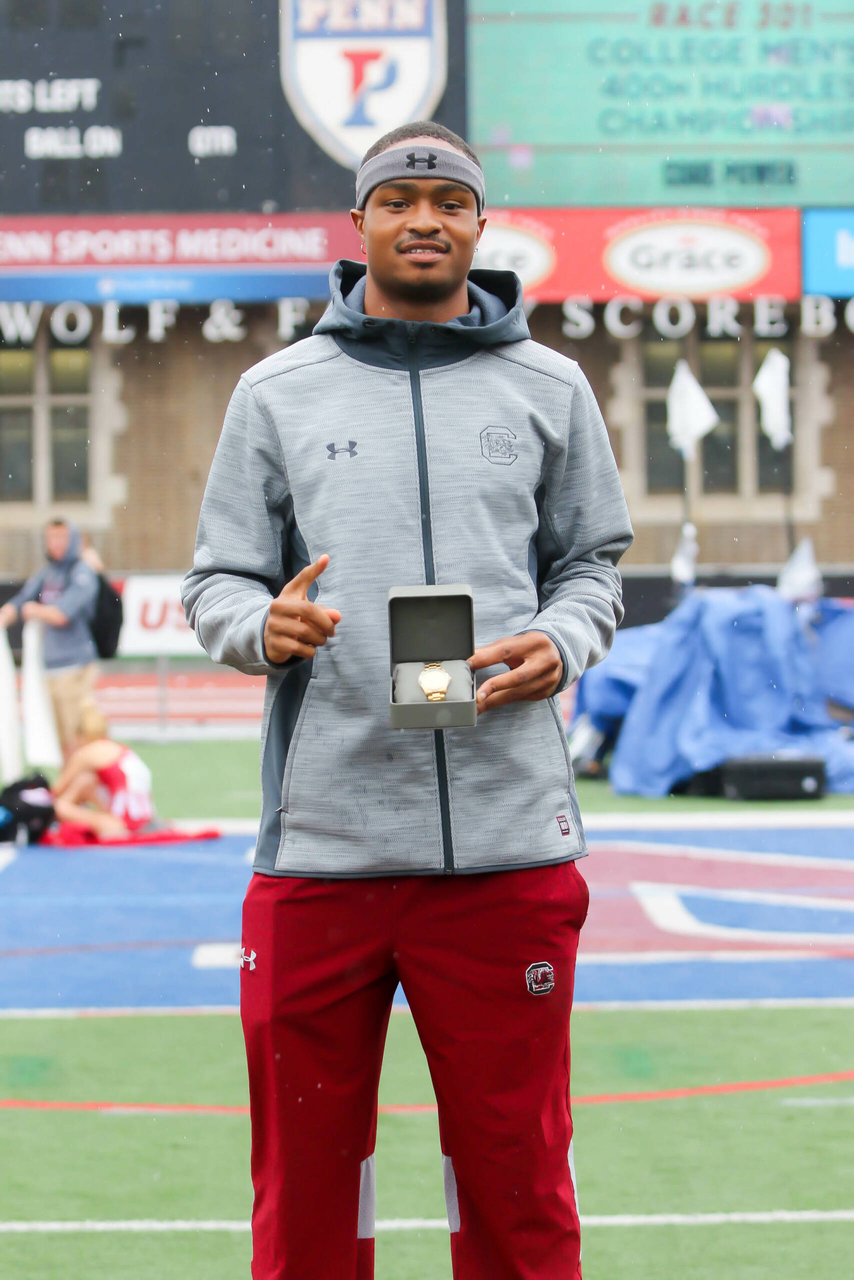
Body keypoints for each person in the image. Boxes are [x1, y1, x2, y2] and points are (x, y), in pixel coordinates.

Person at [183, 120, 633, 1280]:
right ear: (359, 223)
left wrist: (561, 636)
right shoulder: (274, 391)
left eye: (446, 199)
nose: (421, 218)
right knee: (311, 1190)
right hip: (323, 853)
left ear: (481, 225)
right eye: (396, 198)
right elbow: (217, 579)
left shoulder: (549, 385)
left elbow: (591, 563)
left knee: (514, 1179)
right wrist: (258, 625)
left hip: (505, 855)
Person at [0, 519, 99, 758]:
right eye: (51, 537)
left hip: (75, 665)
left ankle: (81, 790)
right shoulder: (47, 572)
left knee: (79, 736)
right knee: (59, 740)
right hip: (51, 666)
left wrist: (36, 611)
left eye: (61, 537)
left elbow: (62, 613)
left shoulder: (81, 572)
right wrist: (8, 613)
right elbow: (22, 599)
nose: (55, 543)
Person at [51, 708, 154, 839]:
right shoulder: (119, 749)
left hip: (122, 823)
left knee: (56, 806)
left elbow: (55, 791)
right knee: (85, 781)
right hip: (144, 818)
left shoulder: (86, 752)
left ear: (80, 736)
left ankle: (53, 824)